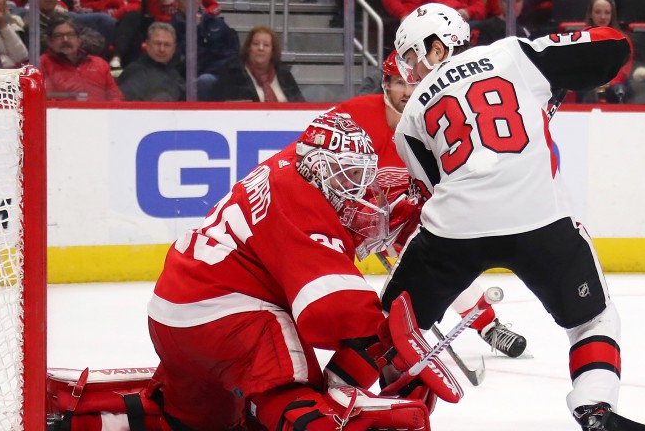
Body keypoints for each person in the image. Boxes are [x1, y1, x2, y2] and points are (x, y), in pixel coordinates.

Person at [381, 3, 642, 431]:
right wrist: (555, 73)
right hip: (538, 217)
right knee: (594, 319)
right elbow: (613, 48)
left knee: (392, 327)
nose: (410, 70)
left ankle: (371, 412)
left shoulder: (408, 120)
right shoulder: (512, 54)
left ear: (436, 45)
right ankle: (595, 408)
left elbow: (437, 184)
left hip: (457, 228)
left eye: (412, 56)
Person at [147, 112, 446, 430]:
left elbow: (331, 216)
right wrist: (389, 352)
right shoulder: (300, 202)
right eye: (348, 175)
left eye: (360, 175)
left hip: (172, 316)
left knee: (194, 421)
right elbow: (334, 310)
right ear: (318, 167)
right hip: (226, 317)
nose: (356, 188)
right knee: (299, 403)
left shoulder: (294, 162)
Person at [338, 50, 528, 358]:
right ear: (385, 85)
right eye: (399, 82)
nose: (408, 91)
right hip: (350, 214)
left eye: (413, 82)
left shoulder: (436, 121)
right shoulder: (356, 113)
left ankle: (487, 325)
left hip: (402, 218)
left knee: (439, 248)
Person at [170, 0, 239, 101]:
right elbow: (175, 60)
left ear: (200, 0)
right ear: (177, 2)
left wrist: (213, 71)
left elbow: (232, 54)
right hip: (182, 79)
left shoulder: (216, 24)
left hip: (215, 76)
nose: (190, 2)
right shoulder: (171, 29)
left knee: (207, 81)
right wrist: (192, 29)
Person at [39, 15, 123, 101]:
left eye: (70, 35)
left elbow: (116, 98)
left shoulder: (99, 64)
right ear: (50, 41)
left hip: (100, 113)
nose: (65, 40)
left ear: (79, 39)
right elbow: (42, 101)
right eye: (58, 36)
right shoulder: (40, 64)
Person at [211, 25, 304, 102]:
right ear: (248, 48)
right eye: (255, 44)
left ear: (272, 51)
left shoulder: (283, 73)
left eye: (266, 45)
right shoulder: (233, 72)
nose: (261, 48)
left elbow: (301, 105)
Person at [575, 0, 633, 104]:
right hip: (588, 85)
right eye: (598, 12)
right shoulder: (580, 38)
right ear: (591, 14)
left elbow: (624, 69)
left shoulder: (623, 40)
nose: (602, 17)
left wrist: (610, 82)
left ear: (612, 15)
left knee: (619, 90)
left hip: (615, 85)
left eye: (607, 13)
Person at [117, 22, 185, 101]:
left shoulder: (176, 74)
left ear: (174, 48)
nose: (162, 49)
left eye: (167, 45)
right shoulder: (134, 72)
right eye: (157, 43)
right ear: (147, 45)